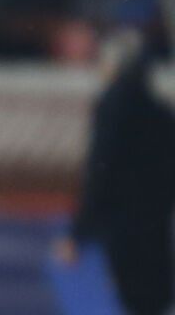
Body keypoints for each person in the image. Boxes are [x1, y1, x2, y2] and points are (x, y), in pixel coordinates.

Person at [55, 29, 175, 315]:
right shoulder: (161, 114)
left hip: (123, 226)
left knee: (134, 297)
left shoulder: (112, 108)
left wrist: (78, 231)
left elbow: (101, 169)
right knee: (152, 300)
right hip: (155, 225)